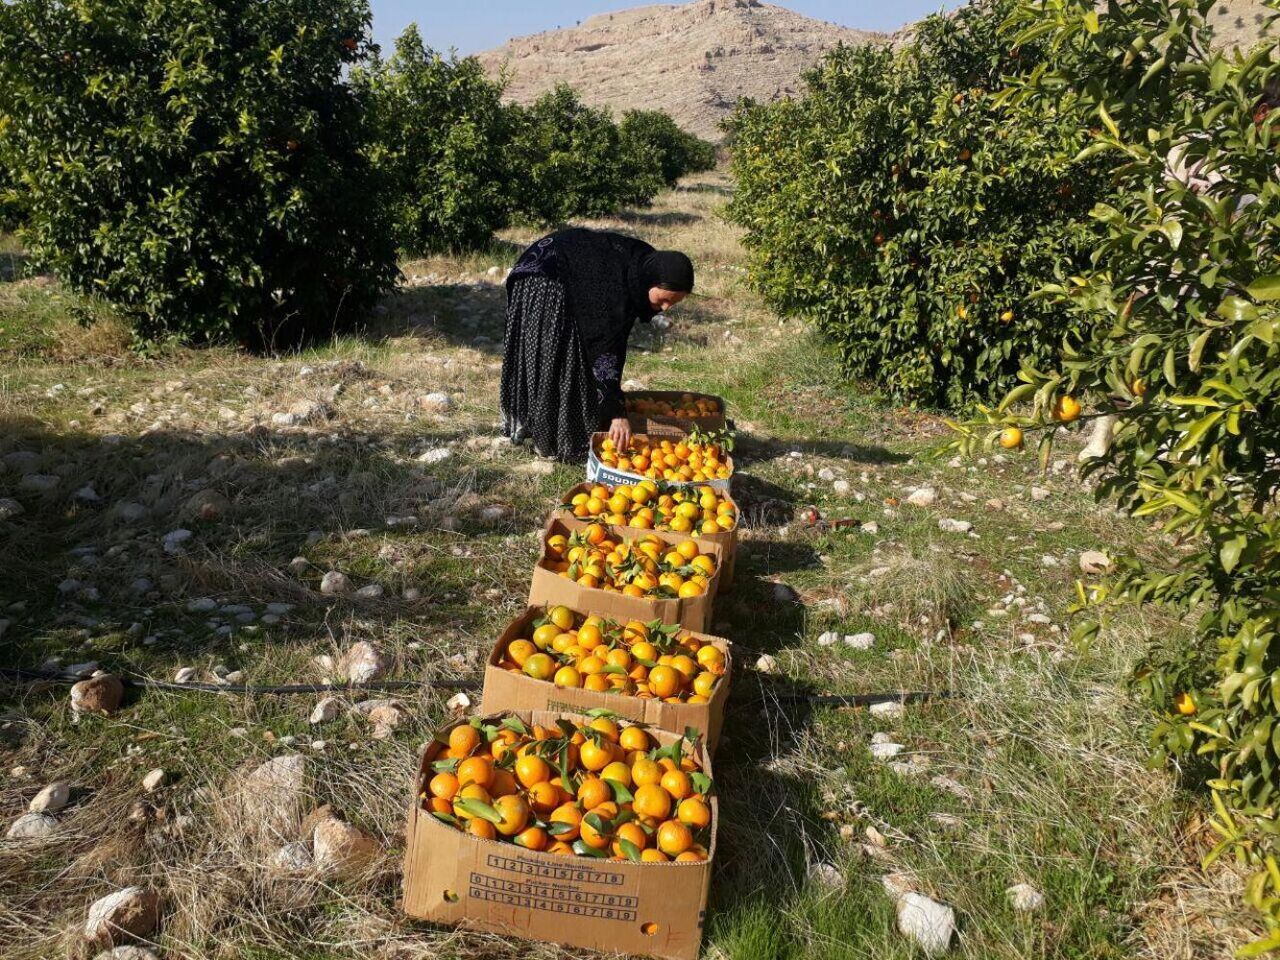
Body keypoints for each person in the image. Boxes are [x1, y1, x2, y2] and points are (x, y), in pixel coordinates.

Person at [500, 227, 694, 462]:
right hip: (548, 276)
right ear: (651, 281)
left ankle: (557, 424)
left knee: (573, 355)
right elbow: (604, 350)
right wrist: (615, 413)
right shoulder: (615, 289)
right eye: (664, 300)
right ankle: (549, 437)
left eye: (673, 303)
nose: (665, 308)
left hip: (564, 266)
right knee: (556, 355)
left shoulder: (641, 266)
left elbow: (611, 342)